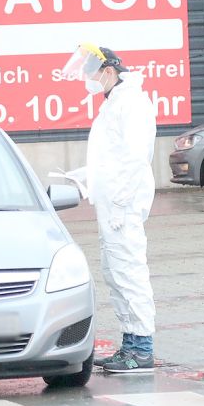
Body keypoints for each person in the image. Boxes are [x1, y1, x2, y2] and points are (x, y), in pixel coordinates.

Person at [62, 44, 157, 374]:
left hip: (123, 207)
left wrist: (120, 202)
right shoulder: (115, 102)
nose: (88, 78)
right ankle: (130, 344)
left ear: (109, 71)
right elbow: (108, 160)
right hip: (114, 205)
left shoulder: (130, 103)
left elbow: (135, 159)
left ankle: (142, 349)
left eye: (91, 72)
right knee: (116, 275)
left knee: (130, 274)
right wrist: (78, 177)